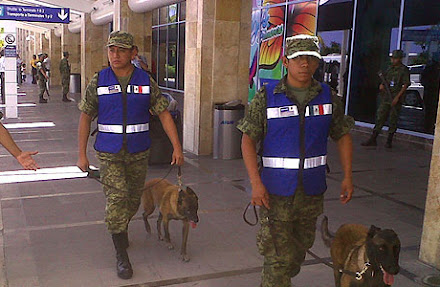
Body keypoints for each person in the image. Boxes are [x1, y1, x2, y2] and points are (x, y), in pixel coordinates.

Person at [238, 34, 354, 287]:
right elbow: (248, 140)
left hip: (311, 193)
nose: (305, 64)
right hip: (274, 194)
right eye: (298, 58)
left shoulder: (327, 96)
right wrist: (255, 184)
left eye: (311, 58)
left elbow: (342, 135)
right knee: (277, 260)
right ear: (286, 61)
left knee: (298, 253)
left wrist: (347, 176)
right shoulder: (267, 96)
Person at [76, 31, 184, 280]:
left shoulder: (145, 81)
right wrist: (81, 155)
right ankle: (121, 254)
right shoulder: (99, 81)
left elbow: (164, 114)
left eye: (122, 50)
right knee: (117, 201)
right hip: (109, 152)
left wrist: (177, 147)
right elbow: (85, 117)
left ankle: (120, 229)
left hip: (138, 151)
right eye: (112, 50)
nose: (115, 55)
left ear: (133, 52)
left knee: (133, 201)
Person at [361, 49, 410, 148]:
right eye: (392, 58)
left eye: (395, 58)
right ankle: (373, 138)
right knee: (380, 116)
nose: (393, 60)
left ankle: (389, 141)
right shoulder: (389, 69)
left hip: (395, 97)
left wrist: (397, 97)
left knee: (393, 119)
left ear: (400, 59)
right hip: (386, 97)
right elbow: (385, 79)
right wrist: (382, 85)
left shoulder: (403, 70)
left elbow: (405, 85)